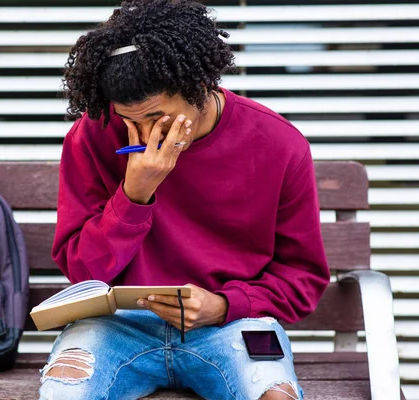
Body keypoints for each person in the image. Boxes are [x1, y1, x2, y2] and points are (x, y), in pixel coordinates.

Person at [40, 1, 330, 399]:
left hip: (232, 324)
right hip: (118, 323)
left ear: (199, 85)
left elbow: (302, 276)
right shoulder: (92, 136)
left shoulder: (278, 144)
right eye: (130, 121)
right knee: (64, 390)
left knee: (274, 394)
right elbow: (84, 271)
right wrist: (134, 194)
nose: (143, 136)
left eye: (157, 117)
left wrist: (225, 305)